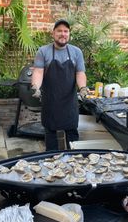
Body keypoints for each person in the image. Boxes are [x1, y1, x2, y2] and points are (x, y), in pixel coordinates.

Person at [31, 19, 88, 151]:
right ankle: (51, 160)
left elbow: (80, 73)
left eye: (66, 31)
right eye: (59, 31)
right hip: (50, 100)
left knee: (72, 133)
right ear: (53, 33)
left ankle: (75, 161)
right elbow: (38, 71)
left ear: (69, 34)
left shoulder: (76, 52)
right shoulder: (43, 51)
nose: (63, 34)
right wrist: (35, 87)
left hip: (69, 101)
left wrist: (83, 88)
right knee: (50, 134)